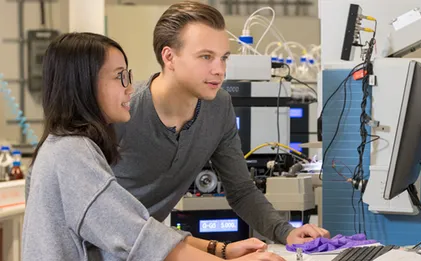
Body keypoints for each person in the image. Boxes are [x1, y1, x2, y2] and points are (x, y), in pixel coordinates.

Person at [22, 32, 286, 261]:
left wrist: (220, 251)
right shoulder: (70, 153)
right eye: (119, 77)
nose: (129, 87)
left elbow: (138, 226)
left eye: (129, 75)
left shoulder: (71, 148)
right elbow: (138, 237)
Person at [111, 0, 330, 254]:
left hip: (149, 247)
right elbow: (96, 213)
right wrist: (220, 252)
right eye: (206, 57)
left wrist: (287, 232)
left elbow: (241, 190)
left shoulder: (219, 106)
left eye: (223, 58)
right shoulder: (123, 110)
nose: (220, 70)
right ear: (169, 57)